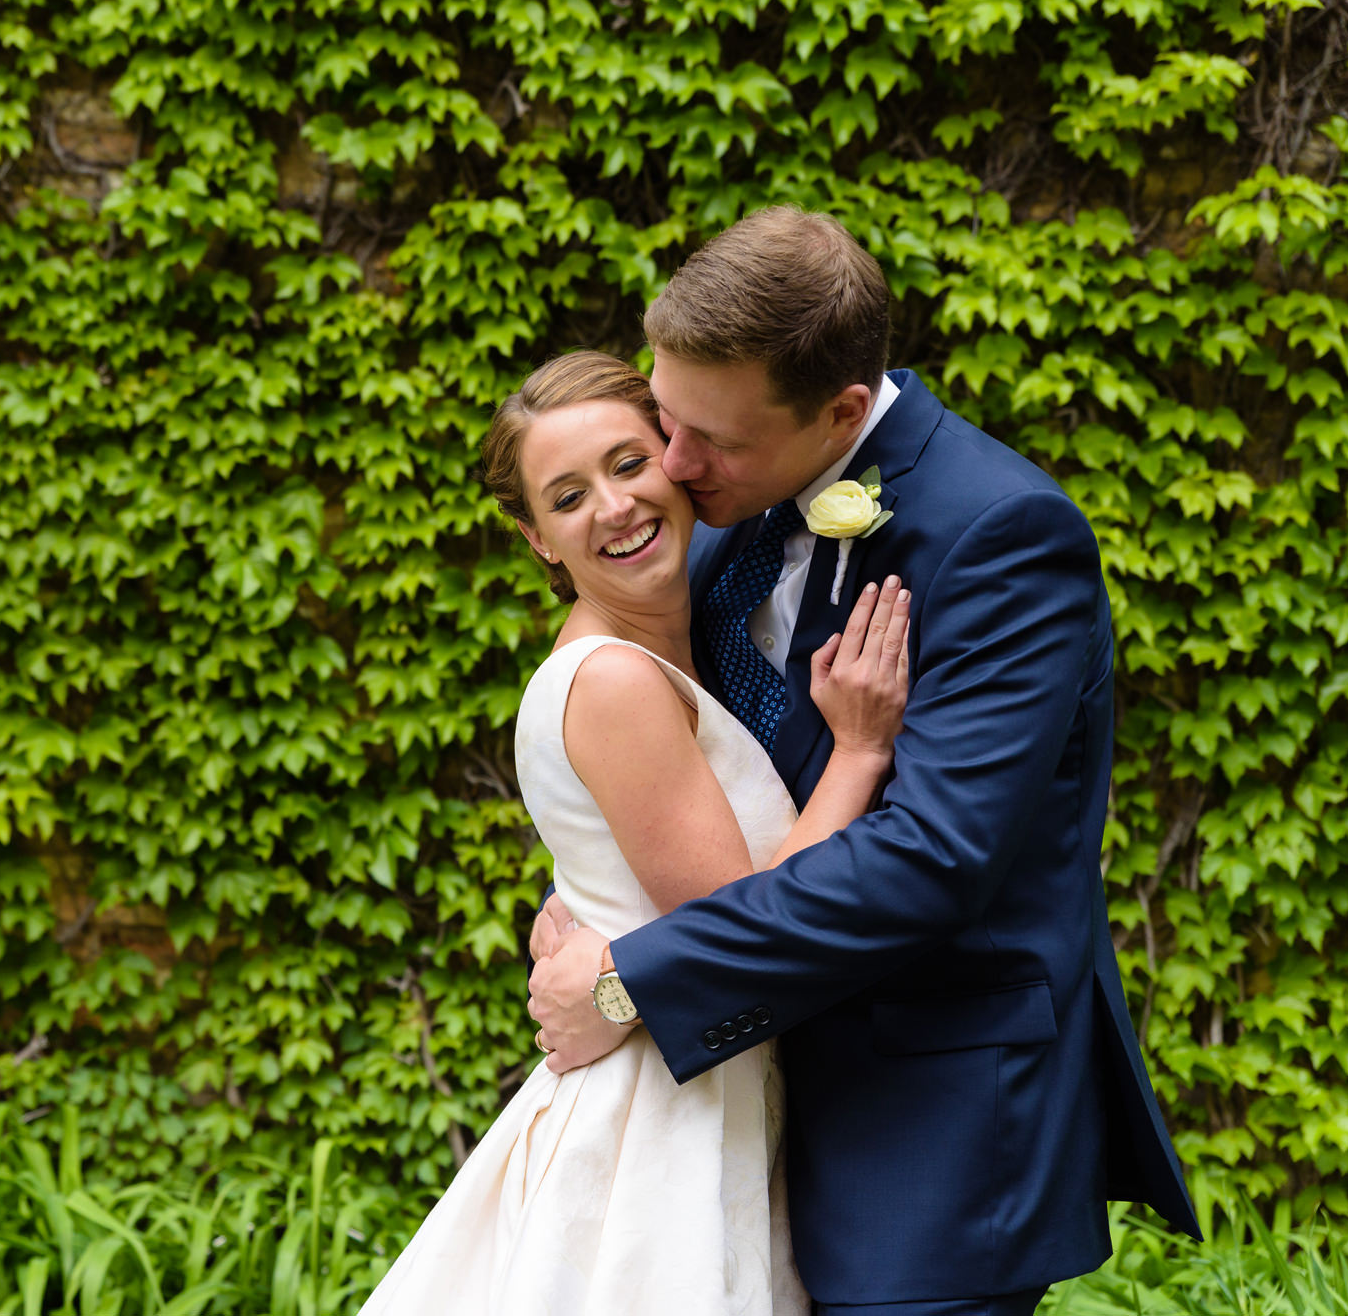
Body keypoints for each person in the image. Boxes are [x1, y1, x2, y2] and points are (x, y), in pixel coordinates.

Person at [526, 206, 1200, 1316]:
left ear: (841, 412)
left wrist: (629, 979)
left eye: (712, 442)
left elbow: (929, 861)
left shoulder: (1002, 538)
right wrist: (586, 896)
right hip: (732, 1110)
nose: (675, 469)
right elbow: (660, 744)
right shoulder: (727, 497)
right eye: (664, 418)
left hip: (923, 1125)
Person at [359, 350, 914, 1315]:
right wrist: (861, 753)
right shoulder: (612, 678)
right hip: (661, 1123)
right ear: (537, 538)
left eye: (627, 463)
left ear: (676, 454)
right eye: (567, 496)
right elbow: (751, 924)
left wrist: (592, 933)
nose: (613, 507)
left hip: (708, 1084)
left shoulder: (683, 627)